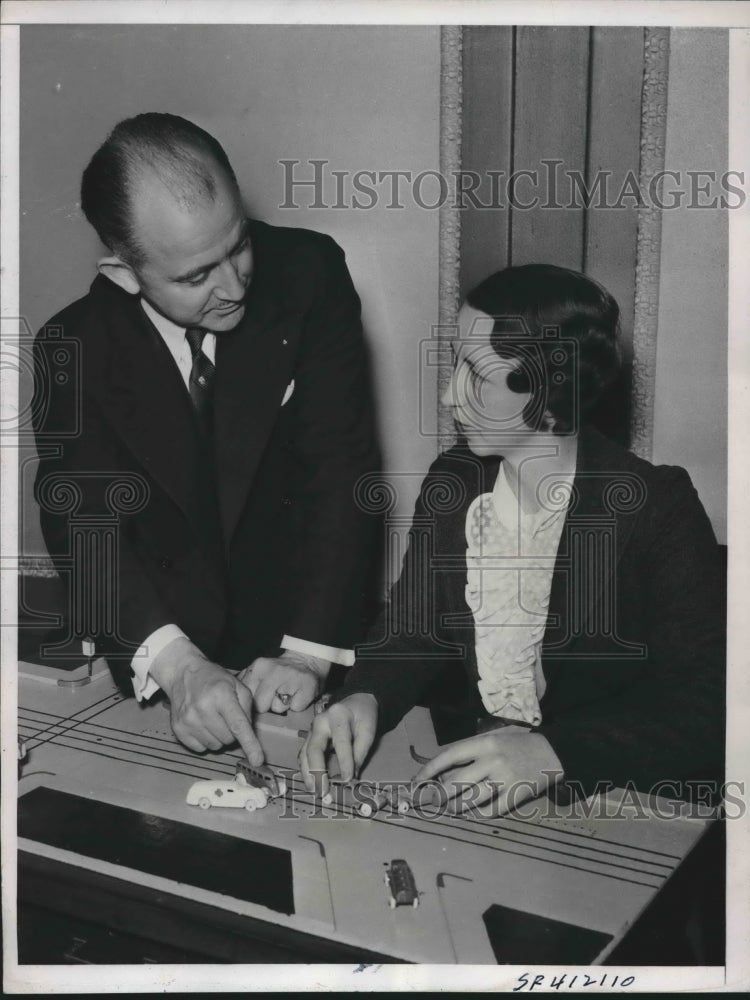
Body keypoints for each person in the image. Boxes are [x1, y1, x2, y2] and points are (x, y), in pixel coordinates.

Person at [300, 264, 725, 813]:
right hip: (486, 783)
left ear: (549, 390)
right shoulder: (454, 480)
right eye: (456, 363)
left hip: (619, 793)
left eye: (477, 374)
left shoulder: (655, 504)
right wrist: (367, 693)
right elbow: (413, 630)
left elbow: (712, 704)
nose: (452, 397)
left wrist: (554, 753)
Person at [33, 113, 379, 764]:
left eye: (239, 245)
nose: (234, 284)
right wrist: (178, 666)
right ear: (122, 271)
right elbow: (85, 525)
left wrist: (306, 652)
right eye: (197, 276)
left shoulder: (309, 274)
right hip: (162, 656)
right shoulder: (71, 346)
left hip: (300, 640)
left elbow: (341, 470)